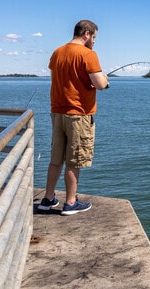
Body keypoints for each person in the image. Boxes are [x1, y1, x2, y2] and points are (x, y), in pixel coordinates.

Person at [38, 19, 109, 215]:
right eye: (93, 37)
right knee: (74, 160)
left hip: (57, 112)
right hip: (78, 114)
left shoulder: (57, 52)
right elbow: (100, 84)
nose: (94, 41)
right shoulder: (88, 54)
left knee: (56, 159)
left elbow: (59, 80)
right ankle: (70, 202)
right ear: (86, 34)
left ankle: (48, 198)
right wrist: (105, 80)